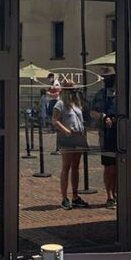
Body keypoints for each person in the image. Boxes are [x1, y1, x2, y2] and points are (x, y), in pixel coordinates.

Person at [51, 81, 89, 210]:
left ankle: (75, 196)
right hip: (67, 137)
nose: (74, 92)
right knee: (66, 167)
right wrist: (65, 130)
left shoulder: (76, 103)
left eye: (75, 90)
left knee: (76, 167)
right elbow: (54, 120)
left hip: (78, 136)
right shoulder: (60, 103)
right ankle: (64, 197)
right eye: (71, 90)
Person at [90, 72, 118, 208]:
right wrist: (103, 116)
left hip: (121, 134)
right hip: (106, 136)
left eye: (110, 77)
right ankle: (110, 196)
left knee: (120, 166)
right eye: (105, 77)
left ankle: (118, 192)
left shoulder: (122, 94)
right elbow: (91, 112)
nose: (107, 79)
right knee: (109, 166)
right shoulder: (99, 94)